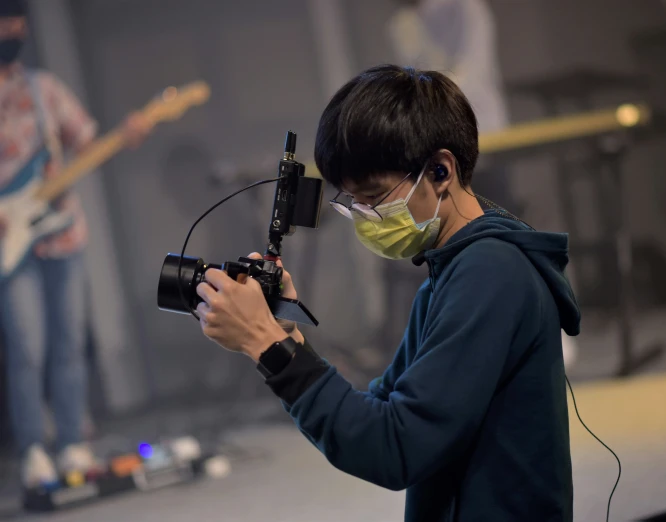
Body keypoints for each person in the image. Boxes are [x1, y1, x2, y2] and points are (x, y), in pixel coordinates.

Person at [195, 65, 579, 521]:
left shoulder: (491, 273)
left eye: (375, 196)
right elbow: (382, 411)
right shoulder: (453, 273)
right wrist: (286, 337)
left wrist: (266, 345)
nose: (364, 216)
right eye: (352, 202)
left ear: (441, 169)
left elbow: (396, 447)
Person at [0, 0, 150, 488]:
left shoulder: (44, 90)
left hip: (62, 231)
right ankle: (32, 449)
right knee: (26, 346)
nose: (14, 29)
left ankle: (71, 443)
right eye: (6, 19)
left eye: (18, 19)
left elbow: (86, 144)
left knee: (68, 343)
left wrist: (124, 135)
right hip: (10, 242)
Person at [389, 0, 579, 369]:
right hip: (434, 146)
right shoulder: (402, 21)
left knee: (500, 234)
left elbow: (466, 76)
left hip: (482, 137)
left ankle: (549, 327)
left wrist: (427, 90)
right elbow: (411, 81)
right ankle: (475, 342)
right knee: (449, 246)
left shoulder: (465, 7)